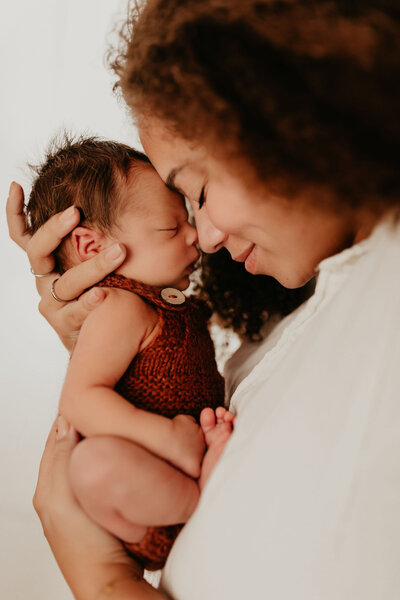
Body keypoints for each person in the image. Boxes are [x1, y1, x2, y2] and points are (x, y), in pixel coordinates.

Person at [6, 0, 400, 598]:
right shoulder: (286, 322)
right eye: (184, 212)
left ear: (286, 115)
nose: (207, 238)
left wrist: (104, 581)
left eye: (202, 189)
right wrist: (112, 330)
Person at [24, 135, 228, 571]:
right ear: (92, 248)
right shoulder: (117, 305)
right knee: (92, 465)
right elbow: (79, 400)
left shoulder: (168, 301)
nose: (196, 236)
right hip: (148, 502)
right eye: (172, 228)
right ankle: (197, 500)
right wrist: (167, 439)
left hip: (177, 463)